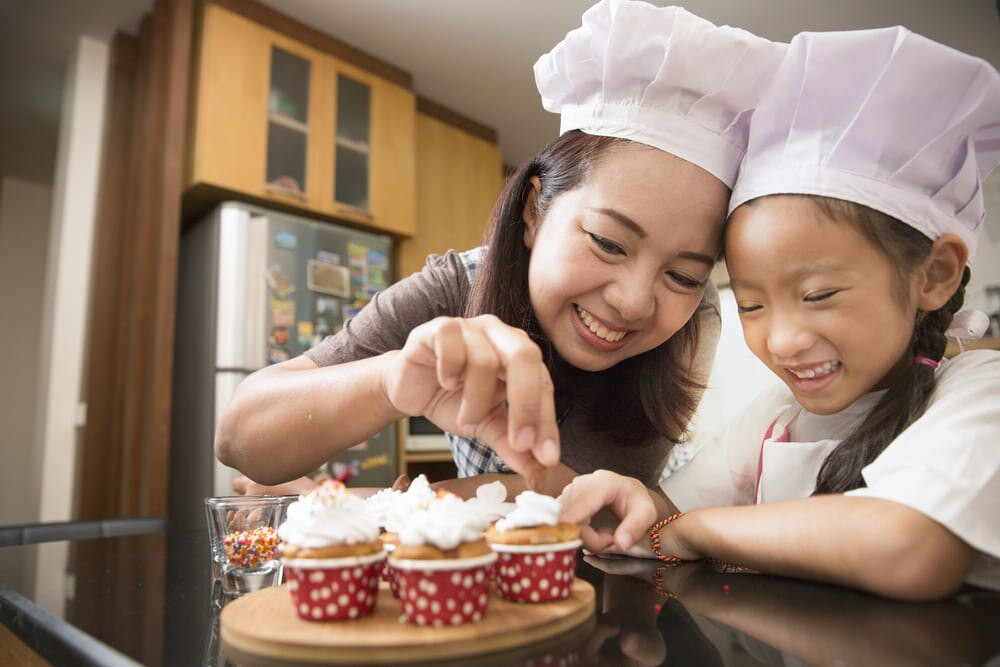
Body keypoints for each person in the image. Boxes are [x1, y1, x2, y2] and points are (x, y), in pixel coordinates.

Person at [215, 0, 785, 498]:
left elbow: (581, 492)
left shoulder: (695, 319)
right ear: (534, 210)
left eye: (683, 276)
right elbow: (240, 437)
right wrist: (391, 380)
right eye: (610, 243)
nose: (635, 302)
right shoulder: (458, 285)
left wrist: (348, 502)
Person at [559, 24, 1000, 601]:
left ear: (934, 274)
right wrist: (636, 503)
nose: (785, 341)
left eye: (817, 295)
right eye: (751, 305)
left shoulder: (979, 392)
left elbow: (908, 548)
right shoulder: (776, 418)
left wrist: (692, 532)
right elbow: (667, 511)